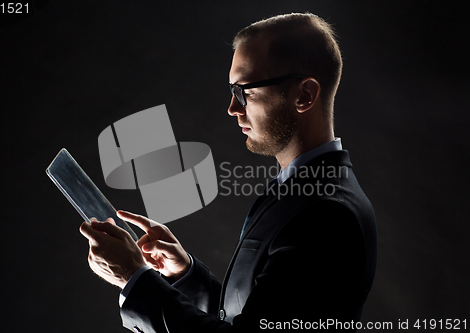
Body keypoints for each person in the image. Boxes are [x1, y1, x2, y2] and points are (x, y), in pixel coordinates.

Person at [79, 13, 377, 332]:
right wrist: (184, 273)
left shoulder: (326, 216)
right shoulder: (301, 190)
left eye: (244, 91)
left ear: (304, 95)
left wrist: (134, 278)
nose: (233, 109)